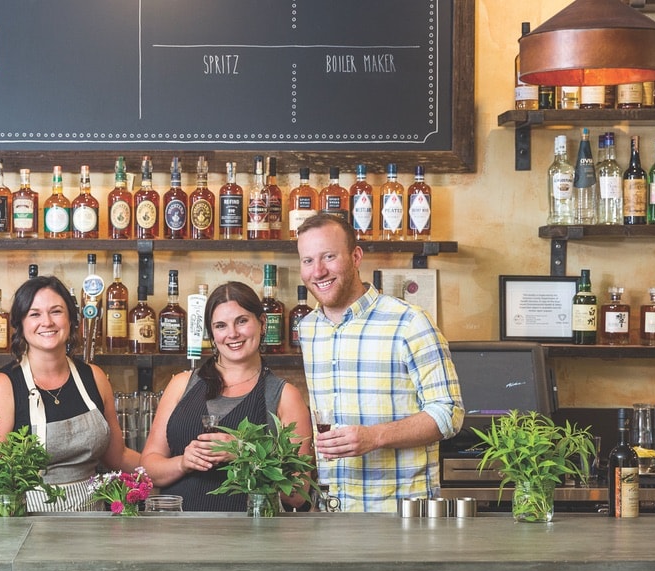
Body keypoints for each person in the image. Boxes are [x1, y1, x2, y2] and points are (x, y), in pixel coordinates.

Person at [296, 213, 463, 512]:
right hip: (331, 516)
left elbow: (449, 413)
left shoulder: (410, 322)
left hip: (401, 518)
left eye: (329, 257)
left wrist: (374, 436)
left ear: (356, 256)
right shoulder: (308, 329)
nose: (318, 271)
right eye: (307, 261)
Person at [140, 281, 313, 511]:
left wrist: (245, 454)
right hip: (177, 535)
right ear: (212, 334)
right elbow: (148, 468)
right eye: (221, 326)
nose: (232, 334)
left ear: (262, 323)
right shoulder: (181, 384)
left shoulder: (284, 396)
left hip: (250, 538)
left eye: (242, 321)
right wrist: (183, 463)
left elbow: (298, 493)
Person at [0, 275, 140, 511]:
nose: (47, 322)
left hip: (95, 525)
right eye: (35, 314)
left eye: (56, 311)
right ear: (20, 324)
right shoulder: (1, 386)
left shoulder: (94, 377)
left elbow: (118, 457)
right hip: (31, 526)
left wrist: (172, 467)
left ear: (71, 319)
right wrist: (13, 532)